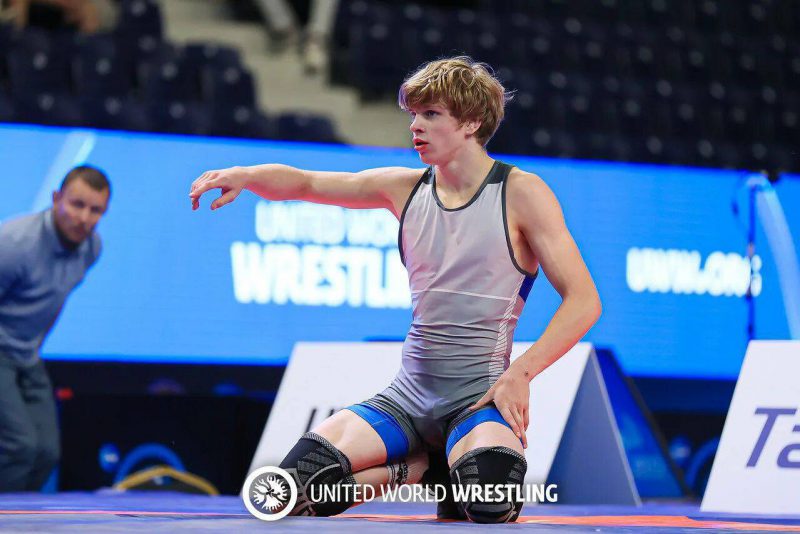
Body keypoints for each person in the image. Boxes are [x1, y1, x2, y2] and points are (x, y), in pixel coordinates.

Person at [190, 56, 601, 523]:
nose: (415, 126)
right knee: (285, 495)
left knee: (489, 506)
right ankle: (416, 469)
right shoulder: (404, 189)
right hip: (407, 400)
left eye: (431, 114)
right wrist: (245, 176)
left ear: (470, 122)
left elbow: (584, 301)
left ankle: (447, 466)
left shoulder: (522, 193)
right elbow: (307, 183)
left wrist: (520, 375)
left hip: (478, 400)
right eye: (413, 115)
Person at [0, 165, 110, 492]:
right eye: (77, 204)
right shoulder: (14, 245)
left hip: (28, 356)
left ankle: (20, 516)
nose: (84, 218)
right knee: (20, 447)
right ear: (55, 199)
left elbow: (50, 301)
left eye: (96, 210)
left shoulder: (92, 249)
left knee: (47, 453)